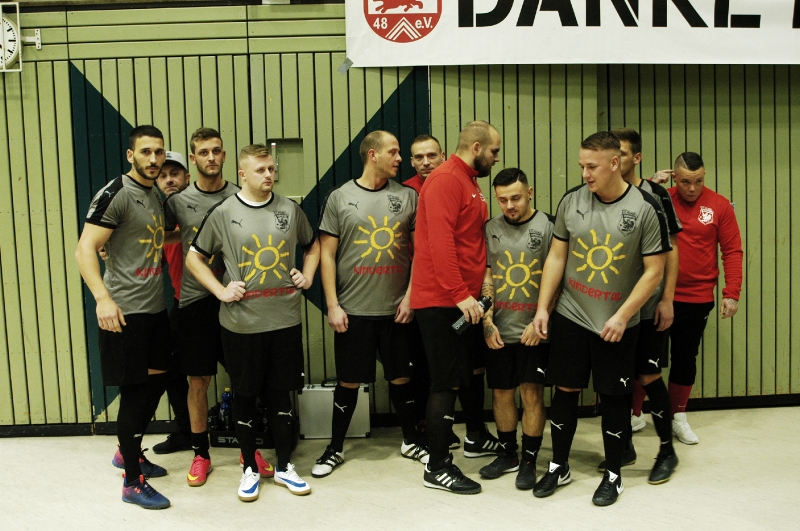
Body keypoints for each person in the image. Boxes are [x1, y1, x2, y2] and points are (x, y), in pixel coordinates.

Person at [531, 131, 670, 506]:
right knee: (565, 390)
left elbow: (654, 271)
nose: (585, 174)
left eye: (591, 166)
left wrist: (623, 316)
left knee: (613, 397)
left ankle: (613, 475)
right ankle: (558, 466)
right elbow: (557, 257)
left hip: (617, 323)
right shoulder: (571, 201)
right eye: (582, 166)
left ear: (614, 163)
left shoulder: (645, 208)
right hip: (572, 314)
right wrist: (543, 307)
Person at [186, 144, 319, 501]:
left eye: (272, 169)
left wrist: (306, 275)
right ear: (242, 174)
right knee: (244, 395)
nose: (269, 175)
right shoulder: (223, 212)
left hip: (284, 319)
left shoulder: (289, 209)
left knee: (280, 393)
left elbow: (313, 245)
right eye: (261, 170)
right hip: (242, 324)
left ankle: (285, 467)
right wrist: (220, 290)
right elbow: (194, 258)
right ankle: (249, 469)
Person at [311, 130, 425, 479]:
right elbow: (326, 255)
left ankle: (410, 441)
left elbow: (421, 253)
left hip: (397, 310)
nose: (400, 158)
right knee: (348, 382)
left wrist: (410, 297)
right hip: (353, 311)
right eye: (393, 152)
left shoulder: (408, 197)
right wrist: (332, 305)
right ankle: (335, 448)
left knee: (402, 377)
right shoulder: (340, 197)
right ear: (373, 155)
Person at [75, 125, 173, 509]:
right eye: (145, 152)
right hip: (125, 312)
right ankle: (132, 482)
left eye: (159, 152)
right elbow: (85, 248)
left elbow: (149, 237)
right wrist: (103, 299)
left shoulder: (154, 193)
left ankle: (126, 451)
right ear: (131, 155)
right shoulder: (115, 193)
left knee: (159, 380)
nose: (153, 159)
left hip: (154, 309)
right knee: (134, 395)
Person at [411, 120, 502, 495]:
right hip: (442, 301)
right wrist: (460, 294)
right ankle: (437, 466)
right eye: (494, 151)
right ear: (477, 147)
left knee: (464, 375)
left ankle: (475, 439)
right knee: (445, 382)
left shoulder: (469, 181)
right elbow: (440, 242)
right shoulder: (447, 179)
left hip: (462, 300)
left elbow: (469, 241)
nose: (496, 158)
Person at [162, 128, 247, 487]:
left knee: (245, 379)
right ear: (193, 159)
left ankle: (248, 450)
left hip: (239, 300)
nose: (211, 157)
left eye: (216, 151)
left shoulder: (241, 196)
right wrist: (109, 246)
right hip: (195, 301)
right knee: (198, 380)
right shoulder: (177, 202)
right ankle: (201, 454)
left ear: (224, 155)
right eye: (203, 152)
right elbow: (155, 235)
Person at [600, 128, 681, 484]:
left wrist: (666, 298)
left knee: (647, 375)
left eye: (621, 153)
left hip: (647, 307)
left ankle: (667, 451)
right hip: (610, 308)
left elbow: (671, 250)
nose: (615, 159)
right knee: (616, 379)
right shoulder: (600, 193)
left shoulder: (655, 196)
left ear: (635, 157)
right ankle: (624, 447)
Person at [480, 168, 554, 490]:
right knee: (501, 392)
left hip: (534, 330)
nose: (509, 205)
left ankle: (529, 460)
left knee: (531, 393)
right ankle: (508, 453)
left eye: (516, 198)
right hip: (499, 328)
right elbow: (487, 275)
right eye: (503, 199)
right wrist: (486, 322)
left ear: (530, 193)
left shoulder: (549, 227)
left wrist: (541, 321)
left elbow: (557, 279)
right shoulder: (490, 229)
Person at [666, 152, 743, 444]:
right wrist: (650, 183)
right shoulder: (660, 198)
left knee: (685, 357)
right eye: (685, 182)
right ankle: (635, 415)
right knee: (644, 358)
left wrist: (731, 293)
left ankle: (678, 417)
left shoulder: (719, 205)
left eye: (698, 181)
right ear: (675, 177)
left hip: (696, 297)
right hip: (658, 296)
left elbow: (732, 250)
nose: (692, 188)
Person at [403, 135, 460, 450]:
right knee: (422, 367)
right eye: (419, 157)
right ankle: (426, 430)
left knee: (455, 368)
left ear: (443, 155)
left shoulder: (455, 184)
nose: (425, 162)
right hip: (420, 294)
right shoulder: (406, 193)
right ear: (412, 161)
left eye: (431, 155)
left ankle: (464, 430)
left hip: (454, 296)